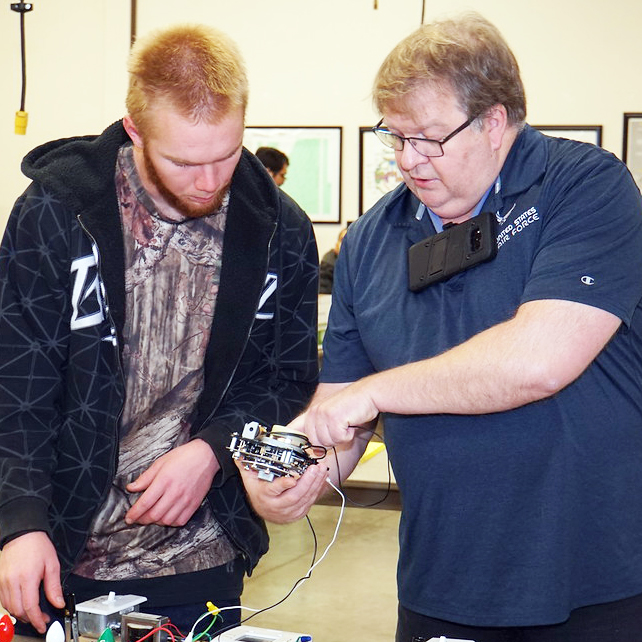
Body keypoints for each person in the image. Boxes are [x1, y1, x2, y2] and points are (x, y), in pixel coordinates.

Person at [237, 12, 642, 642]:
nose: (408, 160)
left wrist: (374, 394)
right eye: (395, 138)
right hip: (443, 586)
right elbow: (338, 411)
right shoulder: (372, 241)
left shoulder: (583, 187)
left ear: (495, 121)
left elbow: (538, 361)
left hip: (594, 583)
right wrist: (295, 472)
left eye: (428, 139)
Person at [0, 24, 319, 637]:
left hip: (200, 554)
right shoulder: (56, 214)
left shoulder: (279, 229)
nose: (209, 181)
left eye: (227, 155)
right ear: (135, 128)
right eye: (183, 160)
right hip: (60, 546)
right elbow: (19, 382)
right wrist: (20, 522)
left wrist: (213, 450)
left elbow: (288, 379)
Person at [318, 226, 347, 294]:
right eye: (343, 240)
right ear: (336, 245)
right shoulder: (327, 265)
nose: (347, 245)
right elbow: (324, 292)